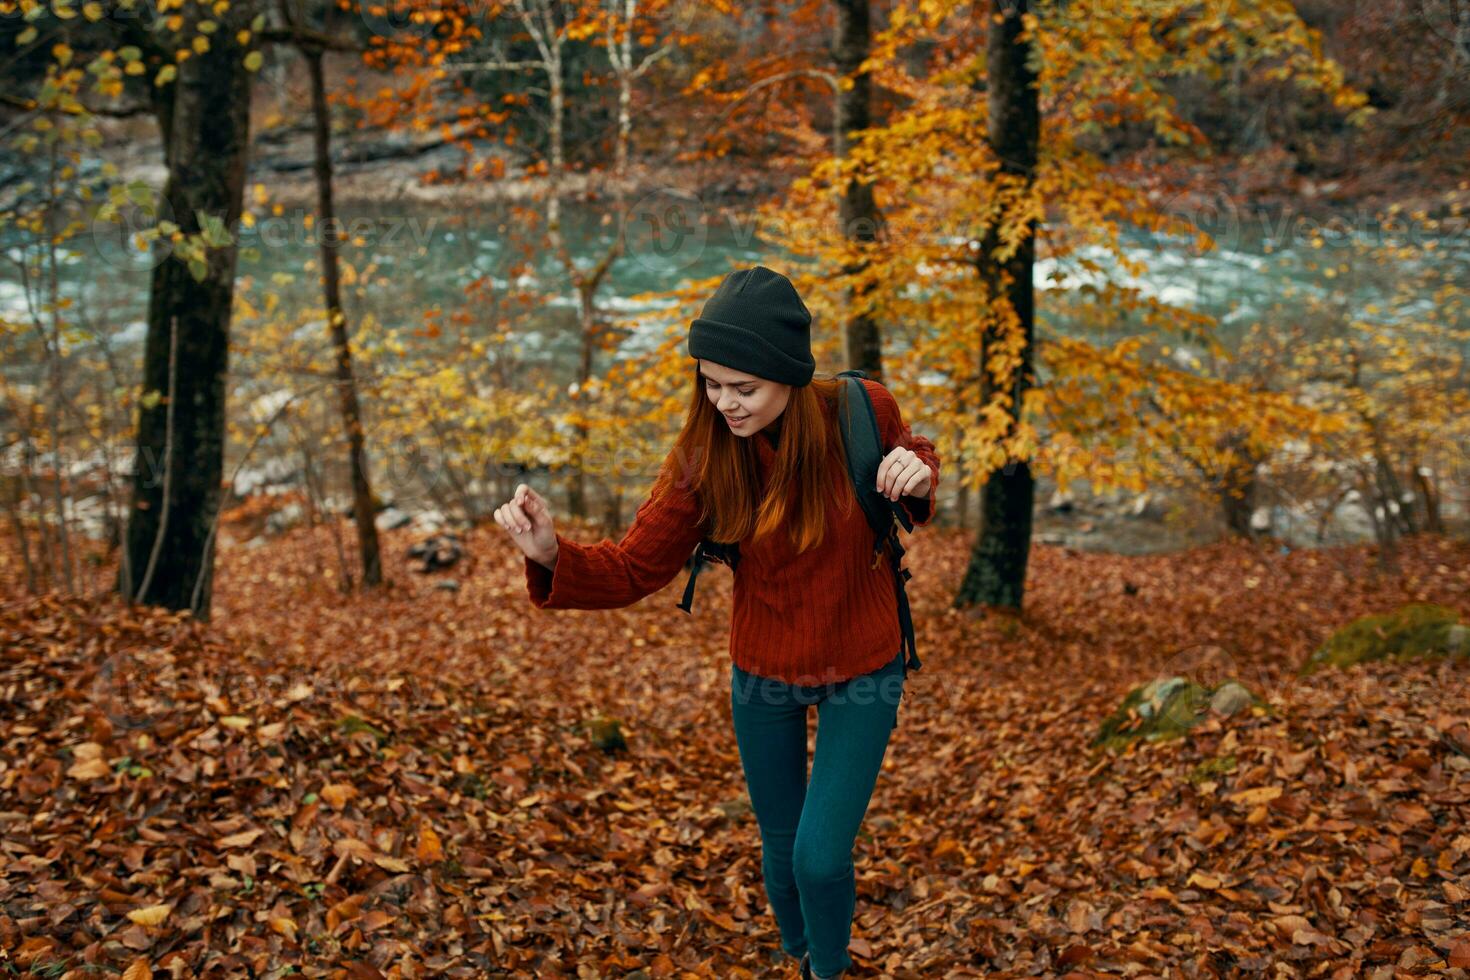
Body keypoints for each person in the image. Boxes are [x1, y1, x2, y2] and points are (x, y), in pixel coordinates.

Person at [494, 265, 941, 979]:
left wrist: (917, 468)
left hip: (863, 663)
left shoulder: (861, 410)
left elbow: (910, 452)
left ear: (789, 375)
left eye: (743, 388)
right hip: (763, 670)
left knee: (820, 856)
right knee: (781, 840)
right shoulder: (705, 459)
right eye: (711, 382)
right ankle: (797, 951)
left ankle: (826, 970)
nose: (724, 402)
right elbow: (635, 567)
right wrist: (551, 553)